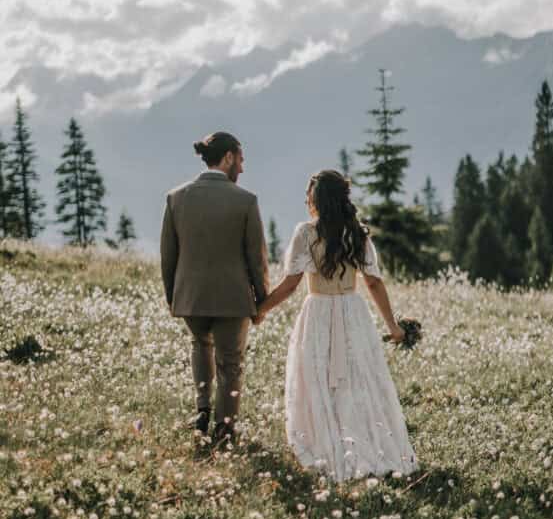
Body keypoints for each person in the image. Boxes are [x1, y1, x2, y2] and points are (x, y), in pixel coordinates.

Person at [254, 169, 418, 481]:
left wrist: (260, 310)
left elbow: (290, 285)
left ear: (318, 199)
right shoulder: (358, 234)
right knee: (358, 379)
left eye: (309, 195)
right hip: (353, 311)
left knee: (319, 379)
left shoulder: (306, 233)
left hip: (318, 312)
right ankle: (368, 444)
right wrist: (393, 327)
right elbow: (373, 283)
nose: (305, 200)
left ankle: (329, 444)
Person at [160, 131, 269, 445]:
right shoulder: (246, 201)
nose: (243, 168)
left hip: (190, 297)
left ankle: (203, 409)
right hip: (232, 299)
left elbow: (169, 255)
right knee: (230, 363)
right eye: (242, 159)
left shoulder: (176, 197)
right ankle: (224, 428)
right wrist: (261, 300)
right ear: (229, 157)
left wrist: (173, 298)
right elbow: (256, 258)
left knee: (200, 345)